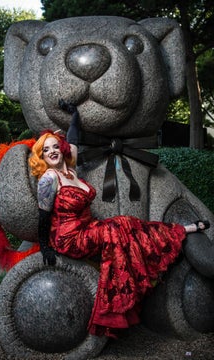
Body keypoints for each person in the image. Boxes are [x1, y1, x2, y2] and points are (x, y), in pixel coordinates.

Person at [28, 99, 210, 338]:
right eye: (45, 150)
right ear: (42, 156)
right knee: (117, 228)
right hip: (68, 238)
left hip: (87, 227)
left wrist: (74, 113)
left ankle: (179, 231)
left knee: (124, 222)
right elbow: (44, 214)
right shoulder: (49, 179)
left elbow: (73, 136)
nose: (51, 151)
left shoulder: (70, 168)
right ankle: (116, 304)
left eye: (53, 146)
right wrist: (45, 247)